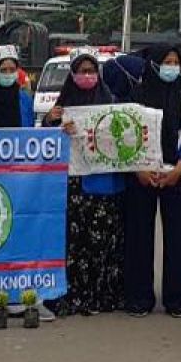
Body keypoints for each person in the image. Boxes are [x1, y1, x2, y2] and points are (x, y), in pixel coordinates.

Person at [44, 48, 126, 316]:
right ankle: (75, 294)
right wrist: (54, 123)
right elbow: (45, 142)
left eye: (91, 71)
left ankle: (101, 295)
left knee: (102, 240)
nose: (87, 76)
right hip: (74, 185)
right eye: (81, 71)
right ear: (73, 74)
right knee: (75, 241)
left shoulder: (110, 100)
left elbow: (121, 137)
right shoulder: (62, 103)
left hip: (103, 183)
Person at [123, 44, 181, 318]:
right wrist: (139, 169)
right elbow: (128, 133)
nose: (171, 67)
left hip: (174, 173)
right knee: (139, 238)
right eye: (166, 61)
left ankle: (177, 299)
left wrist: (179, 167)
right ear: (154, 64)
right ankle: (139, 297)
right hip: (142, 174)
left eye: (176, 62)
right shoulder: (137, 91)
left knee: (178, 239)